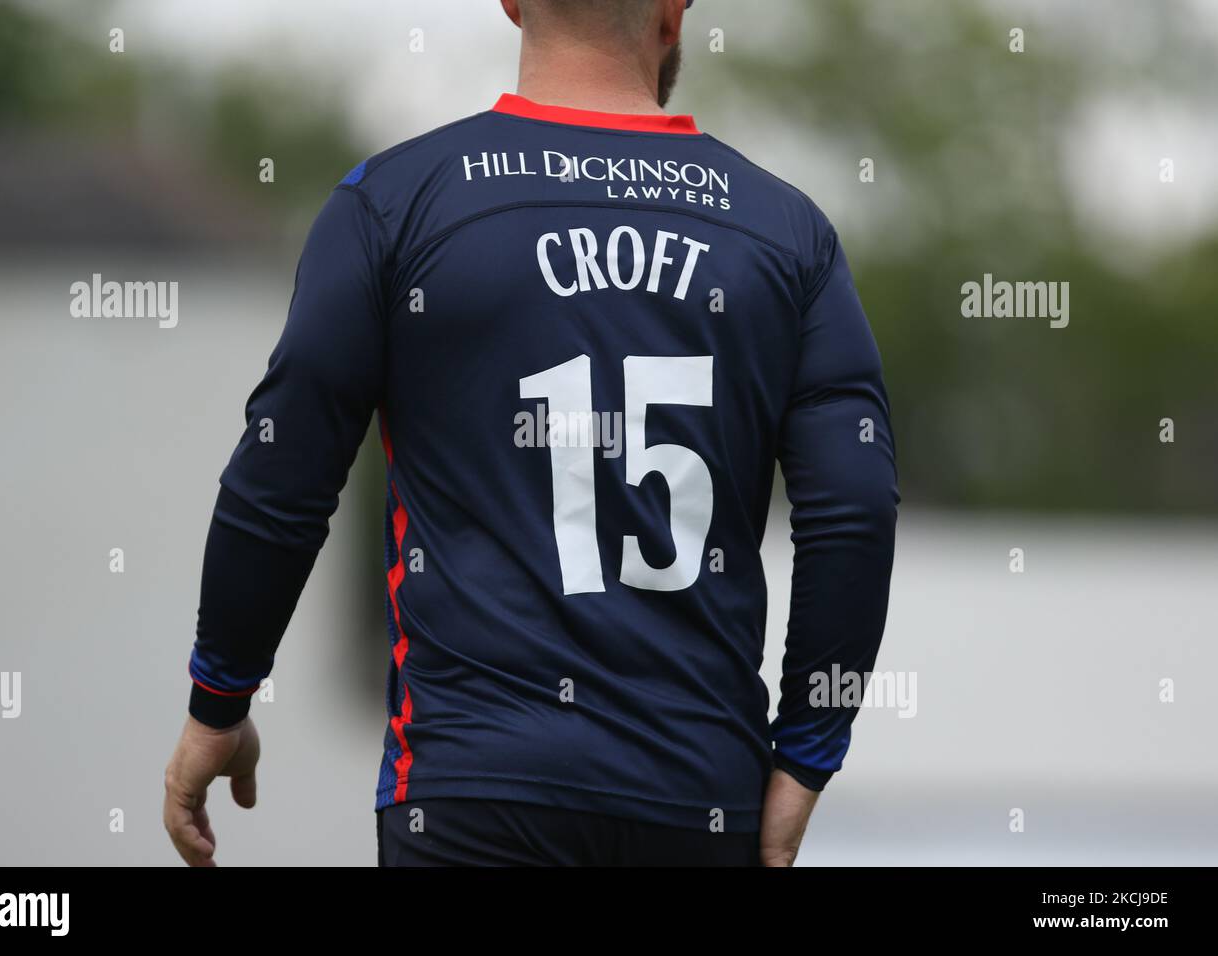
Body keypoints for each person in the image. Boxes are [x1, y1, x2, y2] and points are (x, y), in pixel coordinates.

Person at [163, 0, 898, 867]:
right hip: (695, 797)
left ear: (511, 1)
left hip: (472, 792)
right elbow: (854, 507)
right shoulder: (787, 235)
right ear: (675, 10)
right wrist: (807, 755)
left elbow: (282, 469)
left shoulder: (395, 203)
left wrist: (221, 697)